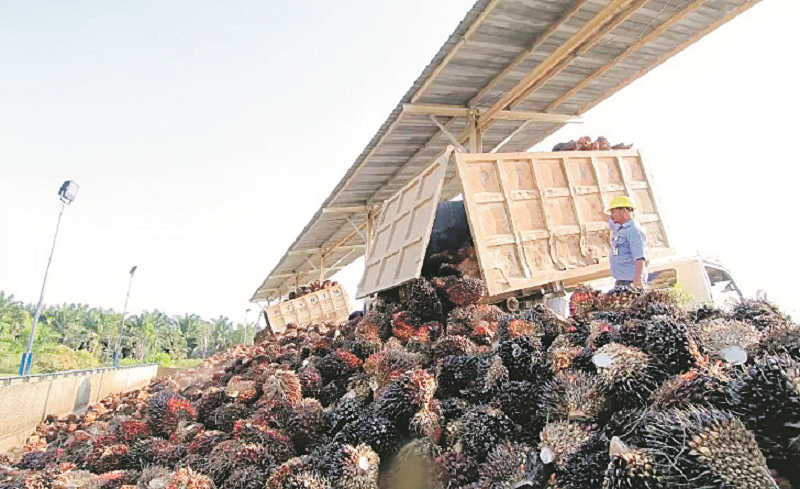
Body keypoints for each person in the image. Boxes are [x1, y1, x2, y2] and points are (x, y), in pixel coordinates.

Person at [600, 196, 648, 288]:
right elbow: (610, 220)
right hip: (621, 280)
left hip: (631, 282)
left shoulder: (634, 231)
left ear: (625, 211)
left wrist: (638, 279)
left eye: (613, 212)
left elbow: (639, 257)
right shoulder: (620, 228)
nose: (611, 215)